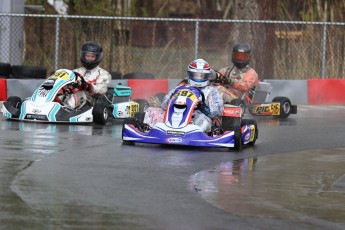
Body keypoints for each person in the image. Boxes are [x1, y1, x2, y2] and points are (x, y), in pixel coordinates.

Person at [144, 58, 223, 132]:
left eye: (201, 76)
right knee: (151, 111)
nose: (198, 78)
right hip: (174, 115)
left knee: (204, 120)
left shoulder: (211, 91)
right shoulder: (179, 88)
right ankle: (151, 130)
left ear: (207, 76)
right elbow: (164, 105)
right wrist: (171, 100)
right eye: (196, 75)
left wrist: (204, 108)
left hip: (196, 117)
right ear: (190, 75)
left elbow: (217, 112)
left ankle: (191, 133)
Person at [63, 41, 111, 109]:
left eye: (92, 56)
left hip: (93, 102)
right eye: (87, 56)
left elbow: (100, 90)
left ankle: (65, 110)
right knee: (60, 94)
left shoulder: (103, 74)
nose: (89, 59)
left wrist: (88, 87)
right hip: (73, 97)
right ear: (83, 56)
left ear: (97, 58)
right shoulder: (75, 71)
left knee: (79, 94)